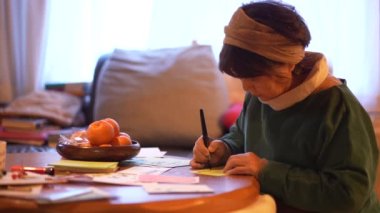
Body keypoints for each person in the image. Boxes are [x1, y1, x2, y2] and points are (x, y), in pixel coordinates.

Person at [190, 1, 380, 212]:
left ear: (287, 64)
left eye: (252, 77)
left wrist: (265, 171)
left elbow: (349, 195)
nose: (246, 87)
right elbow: (241, 135)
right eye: (241, 77)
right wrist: (222, 148)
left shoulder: (338, 109)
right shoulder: (258, 96)